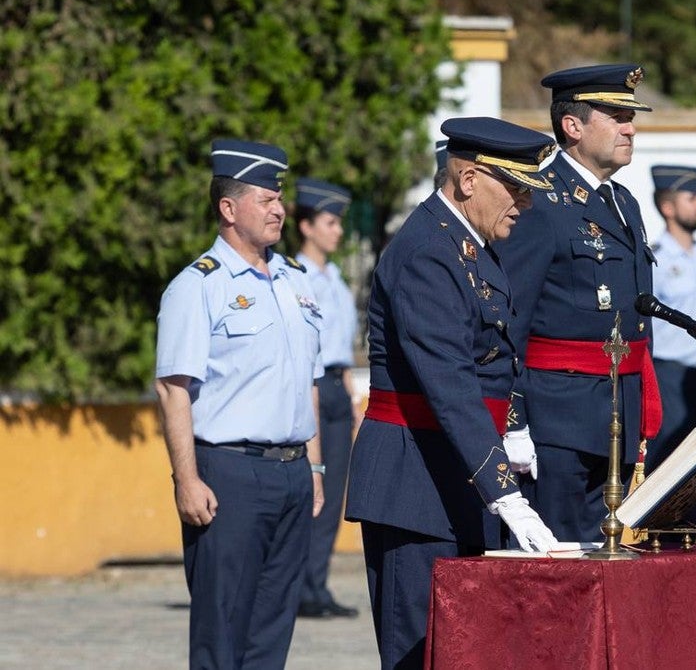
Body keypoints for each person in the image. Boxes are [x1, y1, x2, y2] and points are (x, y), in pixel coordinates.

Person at [344, 117, 559, 668]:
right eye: (515, 188)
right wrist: (504, 490)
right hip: (416, 483)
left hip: (457, 472)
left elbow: (498, 358)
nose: (525, 204)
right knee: (419, 648)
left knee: (468, 648)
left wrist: (514, 430)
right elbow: (450, 382)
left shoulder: (471, 246)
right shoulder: (426, 253)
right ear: (468, 180)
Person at [154, 139, 326, 669]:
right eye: (265, 198)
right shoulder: (197, 287)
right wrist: (186, 478)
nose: (279, 208)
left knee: (273, 627)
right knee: (222, 626)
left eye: (280, 197)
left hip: (294, 473)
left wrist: (315, 467)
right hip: (229, 474)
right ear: (229, 209)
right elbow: (173, 389)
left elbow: (309, 382)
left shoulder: (297, 282)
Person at [493, 64, 660, 542]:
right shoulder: (539, 202)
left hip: (615, 415)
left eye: (631, 116)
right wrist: (515, 423)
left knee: (601, 560)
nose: (630, 127)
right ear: (573, 126)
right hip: (558, 420)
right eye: (615, 115)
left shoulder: (623, 201)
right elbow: (510, 321)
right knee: (558, 566)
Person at [291, 177, 361, 620]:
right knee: (311, 490)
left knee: (333, 494)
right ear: (307, 226)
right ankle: (302, 587)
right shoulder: (295, 277)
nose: (337, 231)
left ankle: (317, 583)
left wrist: (352, 394)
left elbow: (341, 343)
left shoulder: (333, 276)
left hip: (338, 386)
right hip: (311, 387)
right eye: (329, 222)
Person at [647, 164, 696, 471]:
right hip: (671, 379)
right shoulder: (657, 258)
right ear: (668, 207)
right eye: (691, 198)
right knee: (668, 472)